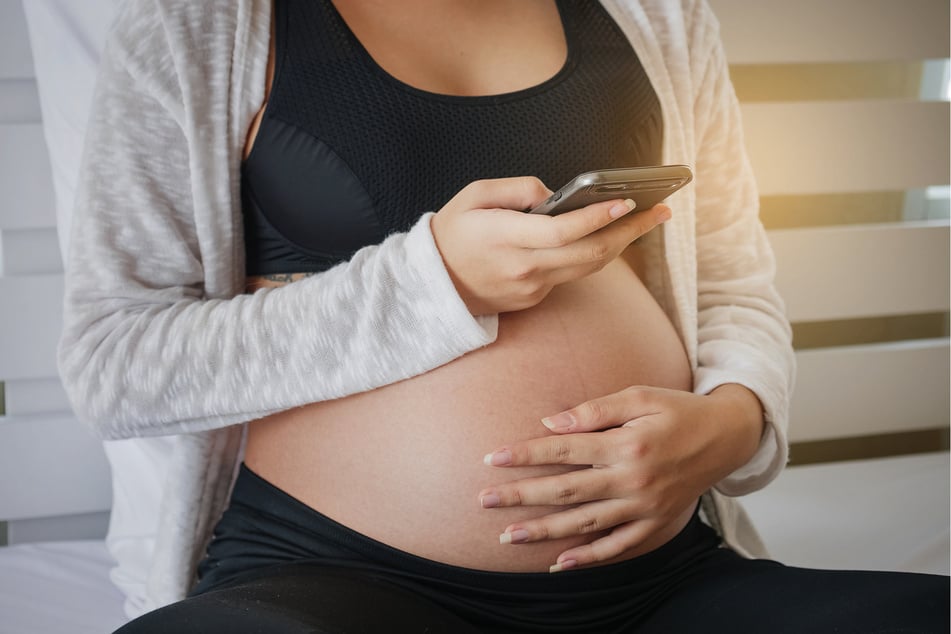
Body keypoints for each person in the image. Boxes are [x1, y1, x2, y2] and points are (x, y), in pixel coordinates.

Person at [58, 0, 948, 631]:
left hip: (657, 582)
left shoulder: (661, 15)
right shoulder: (199, 25)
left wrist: (732, 422)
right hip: (327, 581)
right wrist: (436, 280)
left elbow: (731, 278)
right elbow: (116, 363)